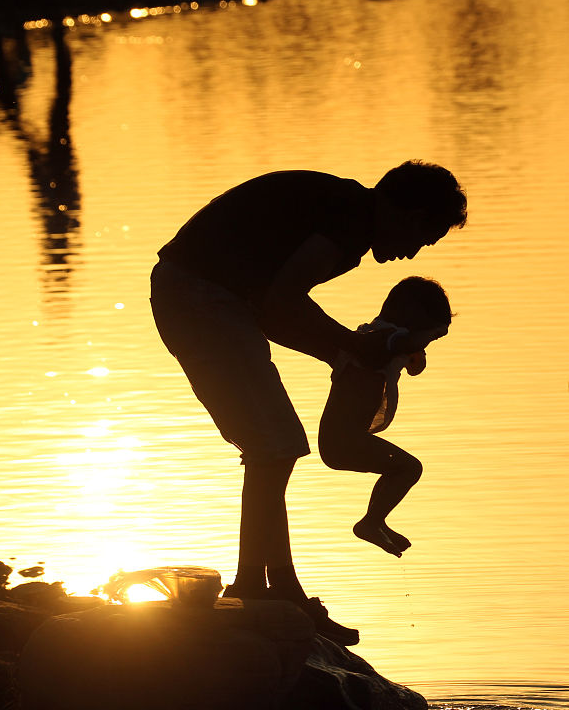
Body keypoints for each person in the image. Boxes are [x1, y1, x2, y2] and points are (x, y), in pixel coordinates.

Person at [149, 162, 466, 646]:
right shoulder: (346, 228)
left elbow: (275, 312)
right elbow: (279, 305)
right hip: (198, 297)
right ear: (407, 212)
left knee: (274, 447)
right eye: (422, 237)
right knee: (274, 447)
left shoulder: (348, 215)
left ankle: (265, 585)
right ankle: (270, 589)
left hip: (209, 297)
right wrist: (350, 347)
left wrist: (344, 355)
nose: (412, 254)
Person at [318, 276, 451, 558]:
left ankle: (375, 521)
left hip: (343, 439)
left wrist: (416, 353)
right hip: (344, 440)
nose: (428, 342)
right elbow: (402, 342)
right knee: (409, 468)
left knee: (399, 469)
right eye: (431, 335)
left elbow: (409, 358)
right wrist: (426, 336)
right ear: (413, 321)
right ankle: (371, 521)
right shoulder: (383, 338)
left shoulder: (379, 338)